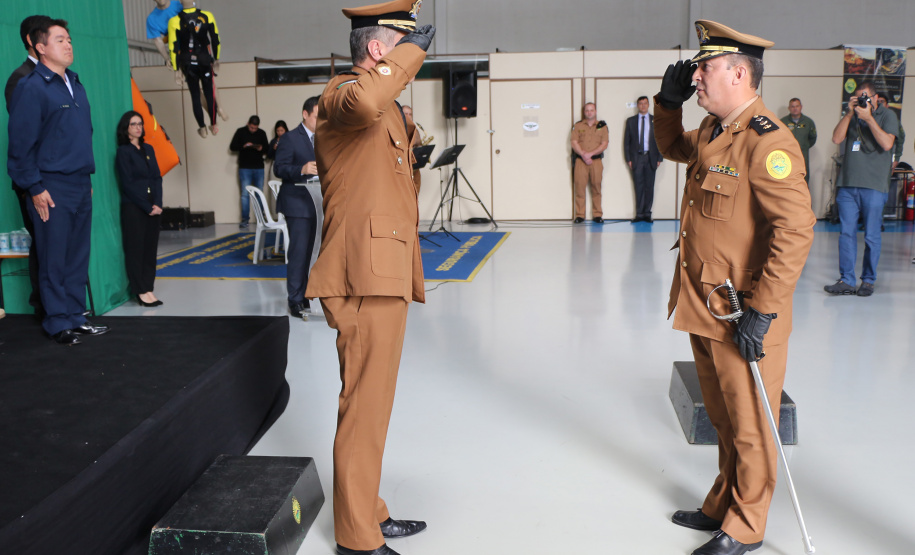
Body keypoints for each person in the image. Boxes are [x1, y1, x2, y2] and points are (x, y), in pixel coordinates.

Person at [653, 20, 815, 555]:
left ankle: (746, 526)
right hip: (706, 304)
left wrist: (763, 313)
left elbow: (795, 230)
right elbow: (673, 147)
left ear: (739, 73)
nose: (696, 76)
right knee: (722, 418)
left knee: (749, 425)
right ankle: (723, 502)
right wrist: (667, 103)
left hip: (743, 312)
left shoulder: (768, 140)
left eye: (706, 68)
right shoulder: (717, 131)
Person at [303, 1, 434, 553]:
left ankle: (369, 513)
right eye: (403, 43)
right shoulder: (340, 95)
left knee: (372, 406)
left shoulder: (390, 111)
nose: (415, 56)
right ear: (380, 50)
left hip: (385, 273)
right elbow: (365, 99)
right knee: (362, 409)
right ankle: (357, 538)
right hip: (360, 277)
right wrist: (411, 55)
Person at [7, 18, 110, 345]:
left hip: (80, 182)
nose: (69, 45)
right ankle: (57, 322)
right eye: (60, 40)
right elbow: (21, 145)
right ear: (40, 47)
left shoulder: (75, 83)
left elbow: (82, 135)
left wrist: (85, 174)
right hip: (50, 185)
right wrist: (35, 187)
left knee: (77, 254)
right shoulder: (31, 86)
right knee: (54, 255)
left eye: (69, 39)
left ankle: (76, 316)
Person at [824, 81, 898, 297]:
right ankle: (846, 279)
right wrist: (849, 114)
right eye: (859, 97)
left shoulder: (887, 116)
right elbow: (837, 138)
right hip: (847, 185)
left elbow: (886, 144)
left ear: (875, 98)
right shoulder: (852, 115)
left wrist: (869, 119)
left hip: (874, 186)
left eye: (866, 97)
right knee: (846, 233)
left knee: (871, 235)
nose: (863, 101)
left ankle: (867, 281)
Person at [5, 14, 52, 321]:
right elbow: (26, 136)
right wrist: (33, 184)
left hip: (61, 177)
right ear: (33, 42)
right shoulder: (20, 78)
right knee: (45, 242)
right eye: (54, 38)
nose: (61, 43)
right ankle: (46, 308)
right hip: (35, 180)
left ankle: (62, 305)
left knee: (59, 243)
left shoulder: (59, 76)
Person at [273, 99, 319, 319]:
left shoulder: (325, 138)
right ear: (304, 114)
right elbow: (279, 168)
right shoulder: (290, 138)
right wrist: (301, 169)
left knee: (313, 253)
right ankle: (295, 299)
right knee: (299, 253)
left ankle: (308, 294)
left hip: (318, 204)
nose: (321, 122)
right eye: (317, 117)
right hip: (297, 204)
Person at [115, 111, 164, 308]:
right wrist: (146, 206)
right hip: (135, 207)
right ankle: (140, 290)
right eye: (134, 124)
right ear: (126, 128)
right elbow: (128, 183)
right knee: (136, 249)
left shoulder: (149, 149)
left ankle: (149, 288)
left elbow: (156, 178)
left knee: (150, 249)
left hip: (154, 206)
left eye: (140, 124)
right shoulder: (123, 152)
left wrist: (158, 203)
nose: (138, 127)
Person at [167, 0, 221, 138]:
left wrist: (175, 69)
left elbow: (173, 47)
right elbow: (215, 38)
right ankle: (214, 124)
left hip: (188, 63)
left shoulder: (174, 21)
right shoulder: (207, 15)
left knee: (195, 96)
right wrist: (217, 58)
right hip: (204, 60)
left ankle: (202, 128)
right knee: (209, 94)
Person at [623, 95, 663, 222]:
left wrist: (659, 158)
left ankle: (647, 214)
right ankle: (639, 214)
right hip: (637, 158)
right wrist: (628, 158)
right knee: (638, 186)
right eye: (640, 103)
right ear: (638, 105)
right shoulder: (631, 121)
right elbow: (626, 142)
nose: (643, 105)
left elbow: (660, 140)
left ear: (648, 105)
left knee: (649, 187)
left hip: (651, 157)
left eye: (645, 103)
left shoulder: (655, 120)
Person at [570, 102, 608, 223]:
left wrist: (590, 154)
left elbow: (604, 143)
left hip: (596, 161)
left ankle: (597, 215)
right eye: (587, 110)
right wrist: (583, 154)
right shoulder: (578, 125)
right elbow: (574, 142)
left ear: (595, 111)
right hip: (581, 161)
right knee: (580, 188)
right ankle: (580, 215)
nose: (589, 112)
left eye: (591, 110)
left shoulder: (602, 126)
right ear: (584, 112)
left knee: (596, 188)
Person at [229, 115, 269, 228]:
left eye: (255, 128)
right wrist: (244, 146)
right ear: (248, 124)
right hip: (245, 167)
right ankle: (245, 219)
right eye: (251, 127)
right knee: (245, 194)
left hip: (259, 167)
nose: (253, 130)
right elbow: (232, 147)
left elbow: (267, 148)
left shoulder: (262, 133)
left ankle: (261, 218)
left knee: (259, 193)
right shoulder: (240, 132)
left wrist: (261, 148)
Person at [779, 98, 817, 184]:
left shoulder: (808, 122)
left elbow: (812, 138)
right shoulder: (783, 122)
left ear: (801, 107)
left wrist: (804, 146)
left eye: (797, 106)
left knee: (803, 180)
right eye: (792, 106)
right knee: (786, 181)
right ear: (789, 108)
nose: (795, 108)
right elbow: (778, 138)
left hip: (803, 156)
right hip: (787, 157)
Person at [401, 104, 423, 191]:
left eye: (410, 114)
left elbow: (419, 145)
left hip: (414, 169)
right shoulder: (397, 130)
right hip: (403, 169)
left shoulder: (415, 130)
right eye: (405, 114)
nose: (408, 116)